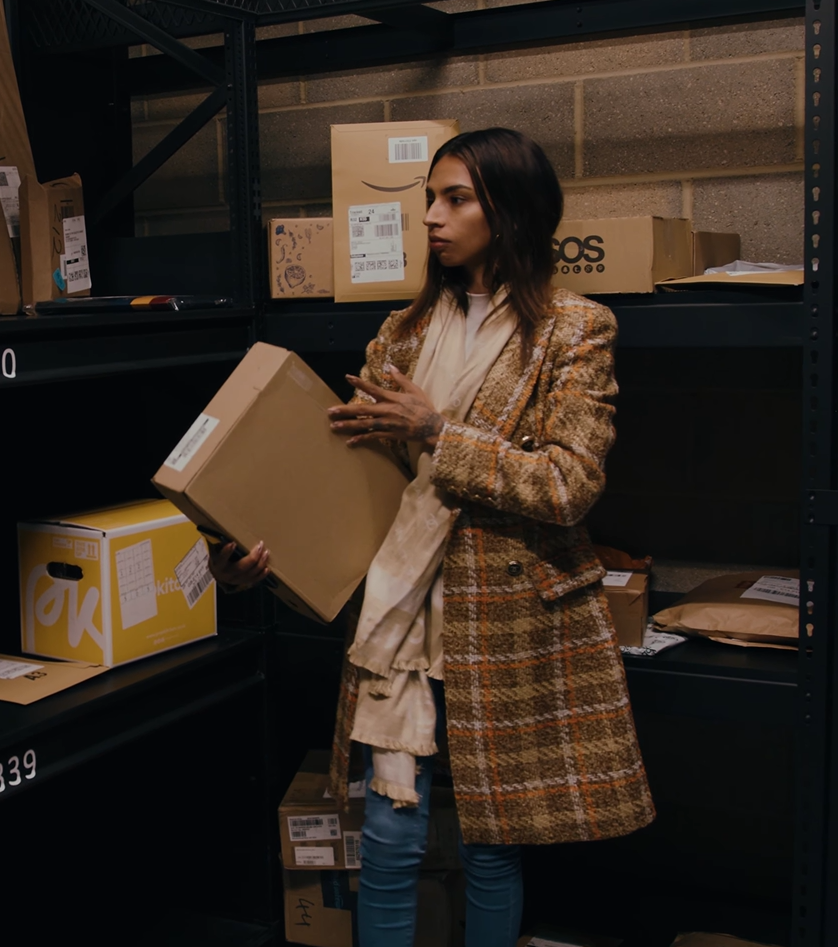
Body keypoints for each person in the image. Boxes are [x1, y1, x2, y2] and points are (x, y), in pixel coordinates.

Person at [211, 128, 654, 947]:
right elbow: (351, 482)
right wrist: (251, 556)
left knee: (491, 841)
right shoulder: (404, 330)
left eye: (456, 199)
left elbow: (568, 483)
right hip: (399, 607)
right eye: (428, 198)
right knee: (388, 836)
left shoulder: (575, 329)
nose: (431, 217)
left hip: (511, 617)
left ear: (513, 210)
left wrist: (441, 431)